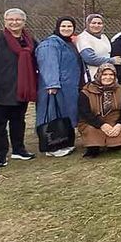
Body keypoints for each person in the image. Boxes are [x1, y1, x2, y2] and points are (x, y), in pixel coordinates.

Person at [0, 8, 38, 167]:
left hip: (21, 89)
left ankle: (19, 149)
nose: (14, 22)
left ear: (24, 22)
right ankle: (0, 153)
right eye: (11, 19)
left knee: (19, 121)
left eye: (18, 20)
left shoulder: (30, 41)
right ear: (5, 21)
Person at [35, 17, 82, 158]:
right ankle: (52, 146)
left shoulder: (67, 43)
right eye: (64, 26)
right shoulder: (50, 44)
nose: (67, 29)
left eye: (70, 26)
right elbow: (49, 64)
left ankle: (65, 142)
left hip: (68, 86)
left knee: (65, 116)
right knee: (52, 116)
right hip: (56, 87)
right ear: (57, 27)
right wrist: (52, 84)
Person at [77, 63, 121, 157]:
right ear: (99, 75)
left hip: (114, 121)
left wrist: (119, 124)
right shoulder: (86, 91)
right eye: (105, 74)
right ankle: (93, 147)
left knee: (115, 145)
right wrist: (101, 125)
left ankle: (112, 143)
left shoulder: (120, 89)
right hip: (93, 122)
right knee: (92, 135)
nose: (108, 77)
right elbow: (84, 112)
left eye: (111, 74)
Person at [76, 14, 119, 82]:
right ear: (88, 24)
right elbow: (90, 59)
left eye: (99, 23)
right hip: (93, 78)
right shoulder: (83, 38)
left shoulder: (104, 37)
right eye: (93, 23)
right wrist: (111, 61)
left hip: (107, 77)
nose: (96, 25)